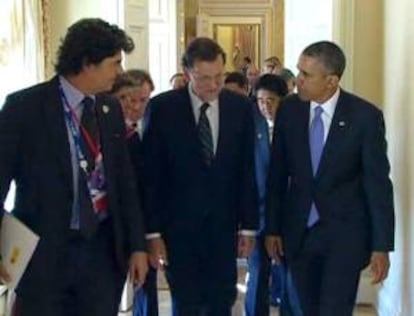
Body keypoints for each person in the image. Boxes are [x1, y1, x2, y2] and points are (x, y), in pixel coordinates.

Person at [0, 18, 148, 316]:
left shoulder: (108, 110)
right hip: (44, 255)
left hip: (103, 256)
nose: (120, 72)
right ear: (87, 63)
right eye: (114, 63)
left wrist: (137, 246)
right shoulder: (24, 108)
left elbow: (124, 184)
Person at [265, 40, 395, 316]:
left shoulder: (364, 117)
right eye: (298, 71)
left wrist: (381, 245)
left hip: (345, 237)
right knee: (302, 308)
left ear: (331, 80)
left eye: (306, 75)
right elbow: (277, 174)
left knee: (334, 310)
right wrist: (273, 228)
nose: (297, 80)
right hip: (299, 233)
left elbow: (378, 183)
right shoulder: (289, 110)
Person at [143, 37, 258, 316]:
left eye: (218, 76)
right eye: (204, 78)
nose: (213, 85)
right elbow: (151, 174)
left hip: (223, 226)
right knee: (186, 303)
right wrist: (153, 232)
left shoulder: (240, 108)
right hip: (178, 230)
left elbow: (246, 170)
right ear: (187, 74)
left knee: (222, 300)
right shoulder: (163, 108)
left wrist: (248, 227)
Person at [110, 70, 158, 316]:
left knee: (146, 288)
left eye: (142, 100)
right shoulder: (103, 132)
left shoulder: (148, 132)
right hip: (112, 227)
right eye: (126, 98)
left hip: (146, 223)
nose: (134, 106)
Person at [243, 74, 288, 316]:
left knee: (288, 276)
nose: (266, 106)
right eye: (260, 101)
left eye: (271, 100)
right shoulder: (252, 126)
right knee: (258, 275)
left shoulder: (294, 125)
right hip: (257, 216)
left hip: (286, 216)